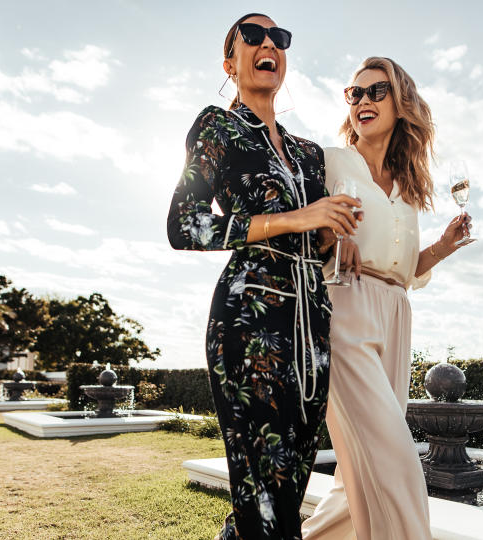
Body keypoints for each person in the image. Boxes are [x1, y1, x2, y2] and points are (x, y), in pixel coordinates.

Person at [166, 12, 362, 540]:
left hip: (312, 321)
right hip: (249, 319)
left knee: (287, 487)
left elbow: (314, 243)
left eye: (279, 38)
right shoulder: (218, 127)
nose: (267, 43)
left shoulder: (308, 153)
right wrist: (297, 218)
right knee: (263, 493)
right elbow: (184, 226)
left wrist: (332, 232)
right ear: (230, 62)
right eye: (251, 37)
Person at [302, 57, 473, 540]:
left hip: (397, 312)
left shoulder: (410, 186)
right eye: (354, 94)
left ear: (401, 104)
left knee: (356, 471)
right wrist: (334, 233)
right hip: (346, 306)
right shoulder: (332, 162)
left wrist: (442, 247)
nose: (363, 102)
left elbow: (408, 270)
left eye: (376, 91)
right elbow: (305, 240)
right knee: (394, 457)